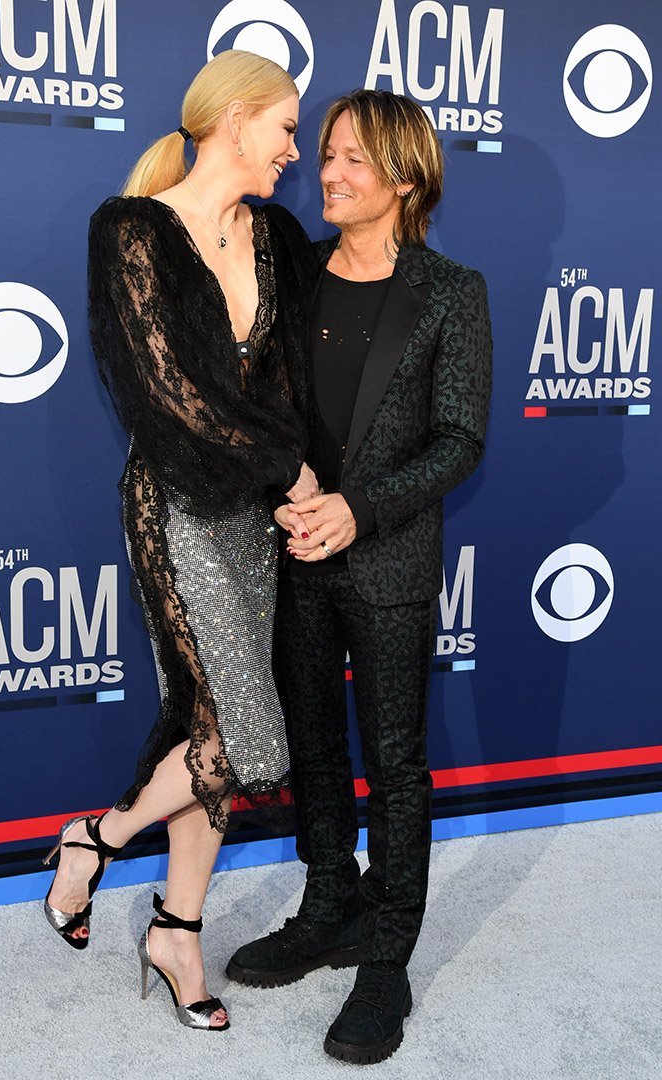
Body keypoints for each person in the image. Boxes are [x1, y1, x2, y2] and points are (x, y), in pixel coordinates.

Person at [42, 50, 319, 1033]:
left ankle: (177, 928)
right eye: (286, 125)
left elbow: (290, 378)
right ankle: (96, 837)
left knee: (211, 724)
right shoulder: (132, 231)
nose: (296, 149)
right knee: (250, 742)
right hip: (181, 509)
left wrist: (296, 491)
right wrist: (289, 471)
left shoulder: (277, 236)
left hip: (259, 520)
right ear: (236, 117)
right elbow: (166, 397)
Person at [226, 90, 493, 1063]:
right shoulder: (295, 277)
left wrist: (361, 510)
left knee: (396, 763)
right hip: (296, 555)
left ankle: (387, 958)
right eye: (325, 155)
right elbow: (261, 401)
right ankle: (330, 902)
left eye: (351, 161)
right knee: (317, 752)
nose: (328, 173)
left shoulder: (450, 291)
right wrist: (291, 490)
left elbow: (461, 436)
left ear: (406, 178)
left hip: (384, 562)